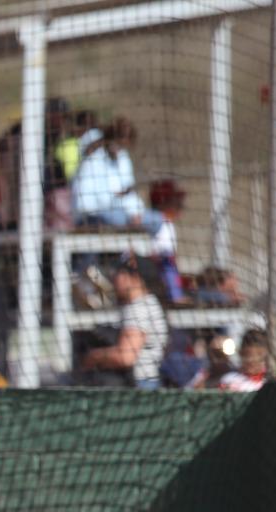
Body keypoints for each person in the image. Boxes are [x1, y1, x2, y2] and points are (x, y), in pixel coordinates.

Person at [80, 256, 168, 388]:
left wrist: (93, 357)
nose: (115, 279)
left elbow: (126, 357)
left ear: (135, 277)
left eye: (120, 273)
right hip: (145, 381)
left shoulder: (139, 308)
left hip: (139, 385)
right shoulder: (147, 303)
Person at [72, 118, 163, 234]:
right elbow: (89, 198)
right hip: (93, 214)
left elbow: (128, 191)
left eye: (123, 145)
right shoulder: (93, 151)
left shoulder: (123, 159)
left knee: (157, 219)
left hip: (119, 212)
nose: (118, 148)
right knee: (113, 219)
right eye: (117, 142)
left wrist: (135, 212)